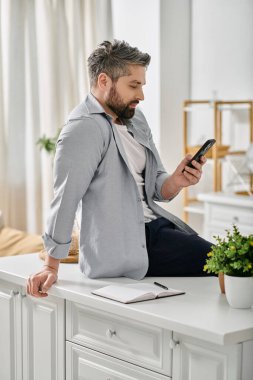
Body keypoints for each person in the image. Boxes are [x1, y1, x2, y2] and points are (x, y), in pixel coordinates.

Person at [27, 40, 212, 298]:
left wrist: (177, 181)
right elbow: (65, 198)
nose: (141, 96)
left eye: (142, 86)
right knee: (225, 264)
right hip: (124, 244)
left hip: (155, 228)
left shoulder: (135, 118)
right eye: (133, 86)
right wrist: (50, 265)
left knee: (229, 263)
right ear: (104, 81)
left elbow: (156, 183)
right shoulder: (83, 128)